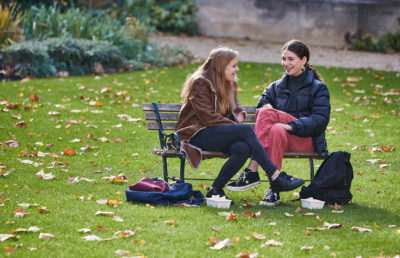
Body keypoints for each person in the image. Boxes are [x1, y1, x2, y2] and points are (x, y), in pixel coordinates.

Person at [175, 47, 305, 204]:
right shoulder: (200, 82)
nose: (237, 69)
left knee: (242, 148)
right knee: (244, 130)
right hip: (195, 134)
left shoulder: (228, 83)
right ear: (221, 66)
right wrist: (235, 127)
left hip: (215, 132)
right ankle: (275, 176)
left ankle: (215, 189)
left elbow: (234, 105)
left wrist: (239, 112)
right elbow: (207, 117)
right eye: (234, 65)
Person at [226, 39, 331, 206]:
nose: (286, 63)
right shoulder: (275, 87)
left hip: (305, 140)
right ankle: (275, 188)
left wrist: (290, 125)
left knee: (270, 117)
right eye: (283, 59)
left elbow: (320, 120)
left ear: (303, 60)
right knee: (274, 129)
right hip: (279, 138)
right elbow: (262, 107)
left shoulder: (318, 88)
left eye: (291, 59)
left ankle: (252, 168)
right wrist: (271, 112)